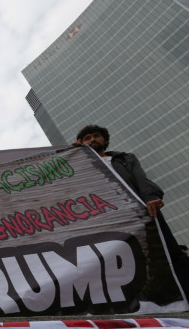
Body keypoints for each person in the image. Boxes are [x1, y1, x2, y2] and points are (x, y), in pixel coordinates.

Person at [72, 125, 189, 297]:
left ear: (105, 140)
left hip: (142, 211)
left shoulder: (124, 158)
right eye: (87, 138)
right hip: (110, 218)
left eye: (96, 136)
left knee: (169, 252)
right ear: (82, 143)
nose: (93, 140)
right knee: (128, 260)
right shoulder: (77, 165)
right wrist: (70, 155)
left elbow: (140, 178)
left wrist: (150, 197)